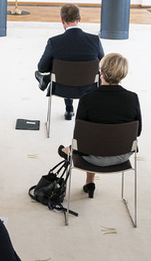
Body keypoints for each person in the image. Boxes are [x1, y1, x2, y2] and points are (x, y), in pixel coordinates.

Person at [57, 53, 141, 198]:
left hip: (91, 156)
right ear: (123, 75)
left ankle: (69, 153)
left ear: (101, 72)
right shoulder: (132, 98)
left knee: (91, 140)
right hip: (122, 154)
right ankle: (89, 182)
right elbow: (137, 131)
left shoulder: (87, 98)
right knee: (99, 137)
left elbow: (79, 136)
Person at [35, 4, 104, 120]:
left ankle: (68, 109)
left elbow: (41, 67)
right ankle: (75, 110)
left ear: (62, 20)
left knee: (66, 70)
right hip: (90, 86)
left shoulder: (54, 42)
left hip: (62, 86)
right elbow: (103, 63)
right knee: (74, 69)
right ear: (79, 19)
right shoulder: (94, 40)